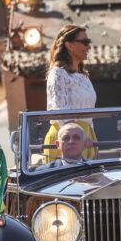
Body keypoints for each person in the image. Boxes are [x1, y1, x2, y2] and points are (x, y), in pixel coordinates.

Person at [43, 25, 97, 162]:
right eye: (85, 42)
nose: (88, 47)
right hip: (66, 141)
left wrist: (89, 138)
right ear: (69, 45)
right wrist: (77, 139)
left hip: (84, 138)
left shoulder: (84, 76)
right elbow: (62, 113)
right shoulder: (58, 74)